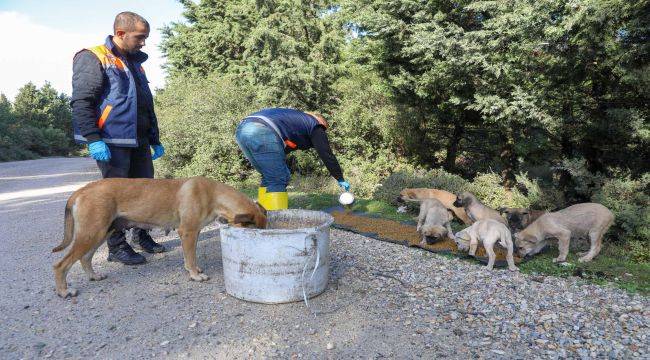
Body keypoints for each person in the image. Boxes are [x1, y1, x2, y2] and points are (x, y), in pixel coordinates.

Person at [70, 11, 166, 265]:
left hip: (139, 141)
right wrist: (93, 138)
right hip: (112, 141)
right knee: (116, 198)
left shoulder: (136, 63)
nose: (144, 42)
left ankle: (141, 236)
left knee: (146, 193)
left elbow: (146, 105)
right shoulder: (93, 56)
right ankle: (116, 246)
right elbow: (81, 102)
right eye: (140, 37)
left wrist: (154, 139)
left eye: (146, 37)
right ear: (121, 33)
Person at [235, 108, 350, 210]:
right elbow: (326, 153)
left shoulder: (295, 121)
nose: (323, 132)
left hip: (243, 130)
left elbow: (280, 151)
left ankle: (263, 217)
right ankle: (275, 225)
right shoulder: (315, 124)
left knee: (269, 177)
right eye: (325, 128)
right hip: (261, 130)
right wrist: (339, 177)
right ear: (320, 121)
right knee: (279, 178)